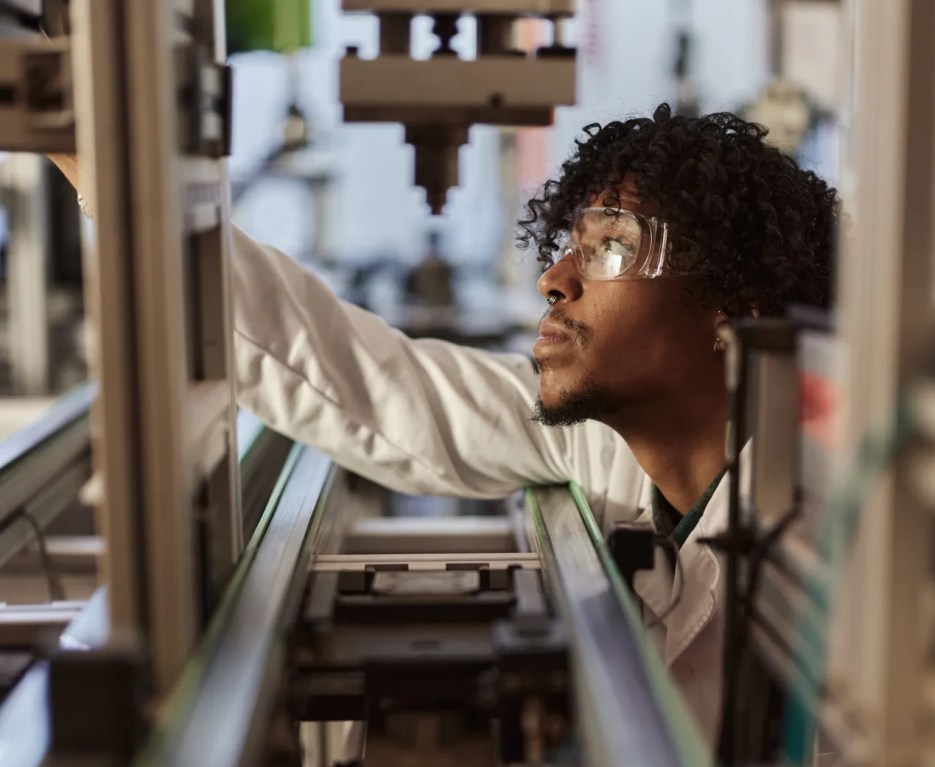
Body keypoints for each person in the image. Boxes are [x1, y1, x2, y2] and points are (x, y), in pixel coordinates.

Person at [51, 103, 839, 741]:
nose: (553, 278)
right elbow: (368, 384)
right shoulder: (603, 437)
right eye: (571, 245)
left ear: (733, 308)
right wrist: (96, 159)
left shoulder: (836, 561)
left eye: (609, 247)